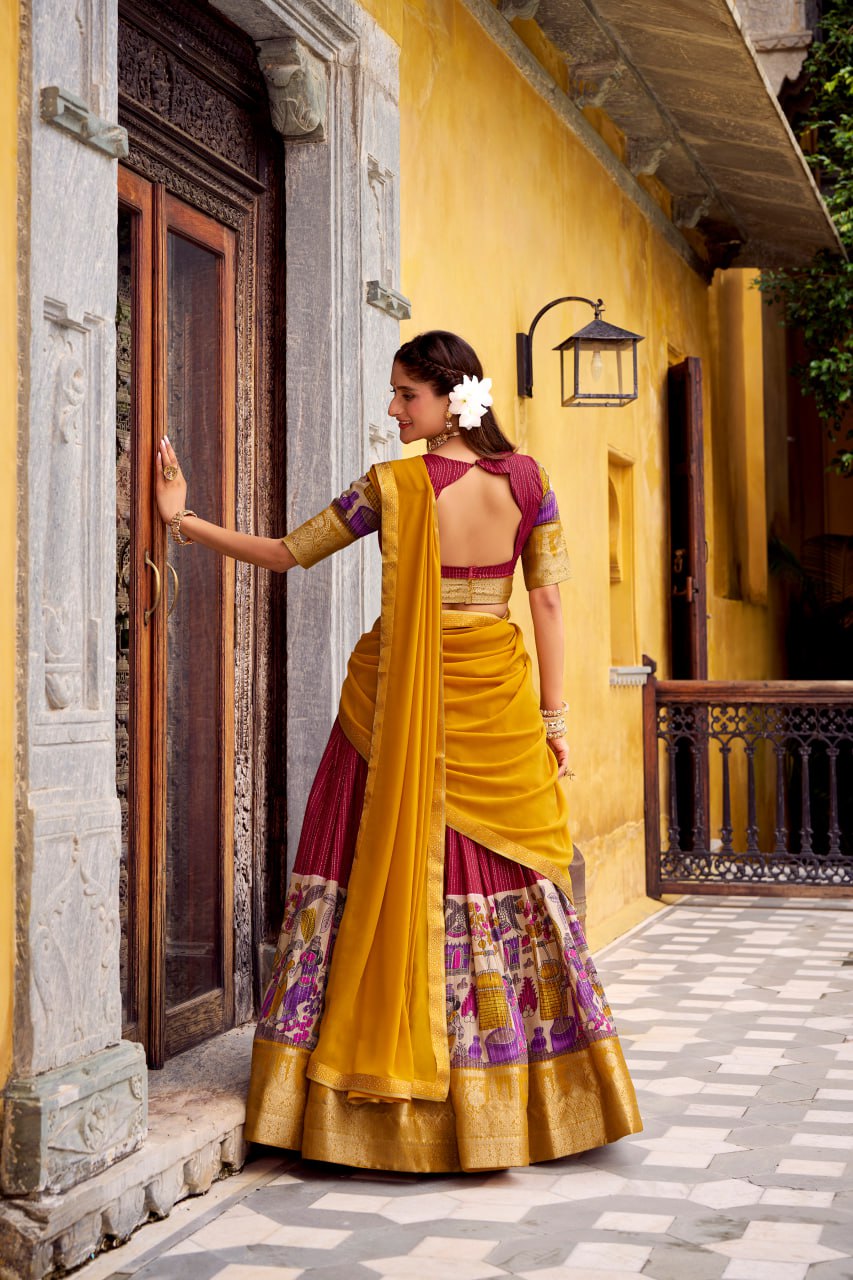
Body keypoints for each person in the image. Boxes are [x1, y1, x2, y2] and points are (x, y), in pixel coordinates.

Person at [155, 329, 641, 1173]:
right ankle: (514, 1096)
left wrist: (183, 521)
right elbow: (549, 608)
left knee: (373, 877)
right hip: (497, 711)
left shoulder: (390, 488)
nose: (391, 410)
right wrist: (553, 723)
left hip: (390, 715)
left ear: (451, 395)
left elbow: (285, 555)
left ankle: (357, 1088)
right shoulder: (530, 482)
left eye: (404, 395)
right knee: (504, 885)